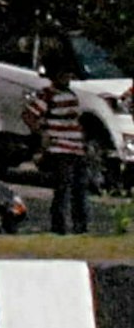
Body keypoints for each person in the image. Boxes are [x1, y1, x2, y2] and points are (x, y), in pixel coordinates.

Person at [35, 56, 95, 236]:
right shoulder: (48, 94)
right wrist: (44, 134)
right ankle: (59, 226)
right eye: (64, 74)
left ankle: (80, 225)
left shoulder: (71, 94)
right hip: (60, 147)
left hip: (76, 147)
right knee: (63, 188)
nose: (68, 77)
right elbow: (31, 115)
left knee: (79, 188)